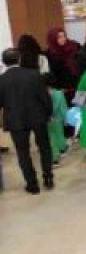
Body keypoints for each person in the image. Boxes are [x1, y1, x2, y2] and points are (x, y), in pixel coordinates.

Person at [0, 48, 54, 193]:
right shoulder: (34, 75)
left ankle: (32, 184)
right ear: (19, 59)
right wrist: (49, 113)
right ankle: (48, 176)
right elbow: (45, 97)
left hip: (15, 120)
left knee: (23, 153)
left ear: (3, 62)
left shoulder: (1, 80)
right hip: (38, 116)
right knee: (44, 147)